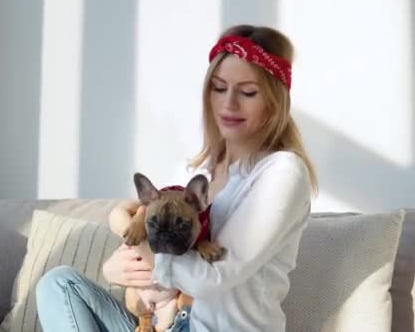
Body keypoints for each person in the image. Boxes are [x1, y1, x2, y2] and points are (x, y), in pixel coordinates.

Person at [35, 24, 318, 332]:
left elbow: (213, 277)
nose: (229, 103)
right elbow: (150, 243)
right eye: (219, 88)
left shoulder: (281, 173)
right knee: (58, 284)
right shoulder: (194, 170)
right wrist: (116, 267)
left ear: (275, 102)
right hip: (164, 324)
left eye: (248, 92)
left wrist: (122, 226)